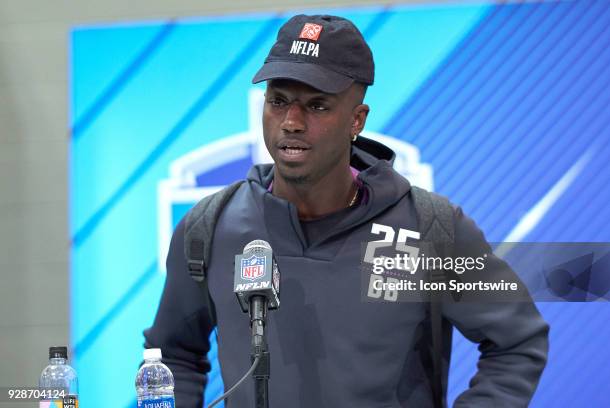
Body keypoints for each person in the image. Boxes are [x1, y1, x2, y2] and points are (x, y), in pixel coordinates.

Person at [144, 14, 549, 407]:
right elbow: (172, 355)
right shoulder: (210, 227)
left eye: (317, 106)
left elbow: (517, 341)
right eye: (278, 101)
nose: (291, 122)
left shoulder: (432, 228)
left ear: (356, 120)